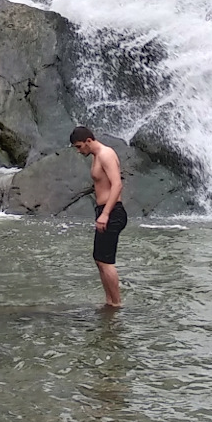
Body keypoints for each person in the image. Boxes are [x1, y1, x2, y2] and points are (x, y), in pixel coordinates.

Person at [70, 125, 127, 310]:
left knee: (106, 260)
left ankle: (117, 304)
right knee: (99, 258)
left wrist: (105, 214)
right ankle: (109, 301)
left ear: (89, 141)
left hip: (112, 212)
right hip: (105, 211)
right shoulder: (96, 156)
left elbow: (117, 185)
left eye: (79, 147)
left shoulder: (105, 154)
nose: (79, 151)